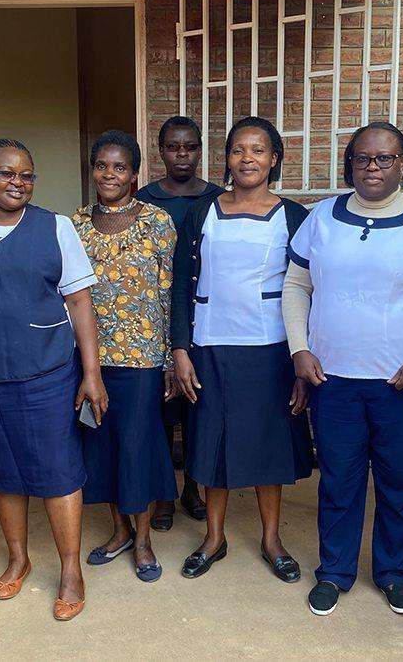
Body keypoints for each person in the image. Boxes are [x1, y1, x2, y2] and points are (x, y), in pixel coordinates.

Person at [283, 122, 403, 617]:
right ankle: (334, 572)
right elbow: (297, 287)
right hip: (333, 380)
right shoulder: (321, 218)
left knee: (402, 481)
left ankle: (394, 574)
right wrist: (300, 348)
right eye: (362, 159)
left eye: (384, 158)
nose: (372, 167)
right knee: (339, 480)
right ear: (350, 164)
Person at [0, 138, 106, 622]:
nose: (17, 183)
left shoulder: (54, 227)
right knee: (4, 472)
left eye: (26, 175)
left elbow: (80, 302)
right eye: (5, 173)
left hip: (48, 374)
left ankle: (69, 570)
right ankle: (18, 557)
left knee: (59, 471)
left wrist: (91, 373)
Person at [171, 116, 315, 582]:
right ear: (227, 159)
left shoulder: (295, 216)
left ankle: (272, 539)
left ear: (274, 158)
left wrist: (301, 359)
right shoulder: (203, 212)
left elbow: (310, 290)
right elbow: (179, 285)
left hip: (271, 349)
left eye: (257, 150)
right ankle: (214, 538)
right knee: (212, 441)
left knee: (268, 446)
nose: (246, 158)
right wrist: (180, 349)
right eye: (237, 150)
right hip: (210, 345)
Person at [73, 130, 179, 582]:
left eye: (120, 167)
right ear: (92, 169)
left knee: (137, 448)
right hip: (90, 361)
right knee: (101, 446)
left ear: (134, 173)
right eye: (102, 165)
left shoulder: (157, 222)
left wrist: (172, 359)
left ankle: (143, 539)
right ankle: (118, 532)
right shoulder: (73, 225)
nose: (109, 174)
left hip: (141, 361)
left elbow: (170, 293)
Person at [134, 116, 222, 531]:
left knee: (197, 407)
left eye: (189, 147)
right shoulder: (146, 199)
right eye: (173, 147)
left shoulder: (217, 200)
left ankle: (193, 488)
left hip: (204, 313)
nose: (181, 154)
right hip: (155, 314)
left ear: (200, 149)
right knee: (163, 410)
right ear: (161, 151)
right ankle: (165, 494)